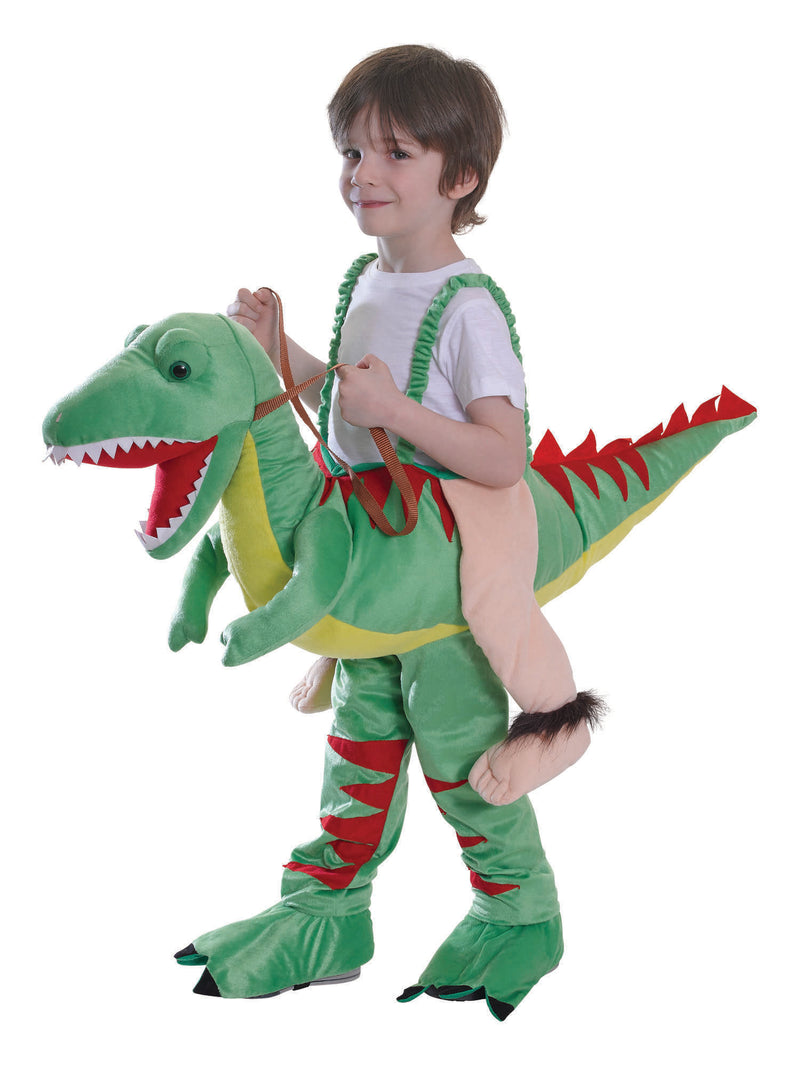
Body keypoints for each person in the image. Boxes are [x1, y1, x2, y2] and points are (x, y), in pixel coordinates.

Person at [194, 44, 601, 1018]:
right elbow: (348, 402)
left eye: (395, 152)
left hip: (442, 577)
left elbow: (502, 455)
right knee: (359, 745)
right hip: (370, 561)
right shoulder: (366, 281)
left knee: (463, 754)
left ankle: (518, 912)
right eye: (350, 152)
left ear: (460, 178)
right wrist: (279, 349)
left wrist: (399, 412)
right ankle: (327, 909)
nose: (361, 174)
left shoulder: (469, 309)